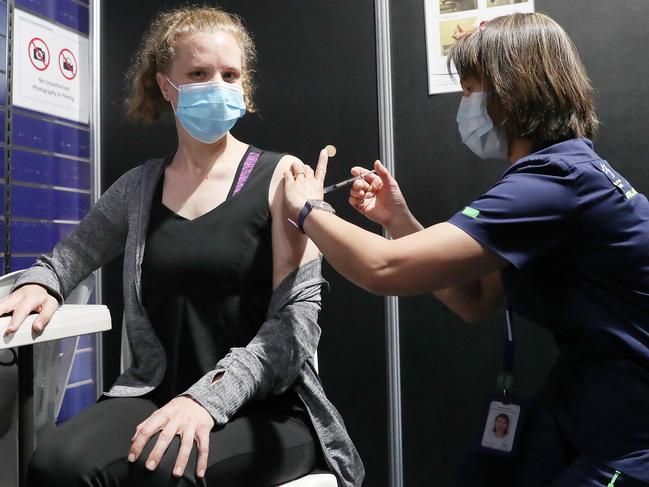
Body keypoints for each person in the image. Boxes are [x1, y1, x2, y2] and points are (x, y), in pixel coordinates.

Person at [0, 6, 363, 487]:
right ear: (167, 88)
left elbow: (295, 327)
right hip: (158, 391)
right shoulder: (140, 187)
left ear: (244, 86)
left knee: (167, 473)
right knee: (55, 466)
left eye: (230, 74)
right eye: (198, 73)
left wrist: (206, 400)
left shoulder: (283, 179)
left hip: (269, 408)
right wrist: (44, 284)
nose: (218, 84)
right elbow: (70, 257)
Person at [283, 12, 649, 487]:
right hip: (585, 396)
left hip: (630, 426)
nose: (465, 104)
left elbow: (382, 268)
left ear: (512, 90)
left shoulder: (557, 182)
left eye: (471, 90)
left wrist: (309, 211)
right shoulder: (566, 172)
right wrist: (398, 220)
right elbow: (476, 299)